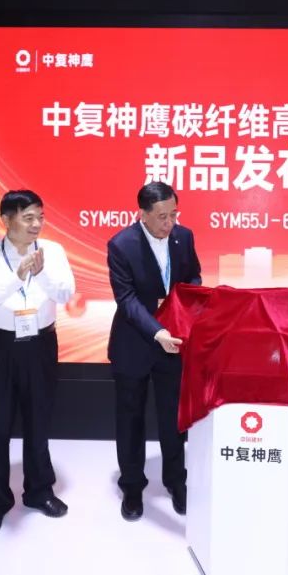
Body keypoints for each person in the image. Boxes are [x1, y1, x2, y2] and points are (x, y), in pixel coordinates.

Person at [0, 190, 76, 540]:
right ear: (6, 220)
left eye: (40, 216)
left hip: (40, 344)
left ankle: (39, 491)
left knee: (38, 421)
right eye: (28, 217)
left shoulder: (52, 250)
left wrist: (39, 274)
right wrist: (17, 275)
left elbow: (66, 293)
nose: (36, 224)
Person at [106, 182, 201, 522]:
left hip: (173, 344)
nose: (169, 223)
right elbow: (127, 299)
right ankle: (132, 486)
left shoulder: (183, 237)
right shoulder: (121, 245)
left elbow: (193, 278)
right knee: (130, 418)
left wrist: (186, 313)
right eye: (162, 217)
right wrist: (157, 331)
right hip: (135, 342)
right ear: (142, 215)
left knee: (173, 418)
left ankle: (176, 481)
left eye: (174, 214)